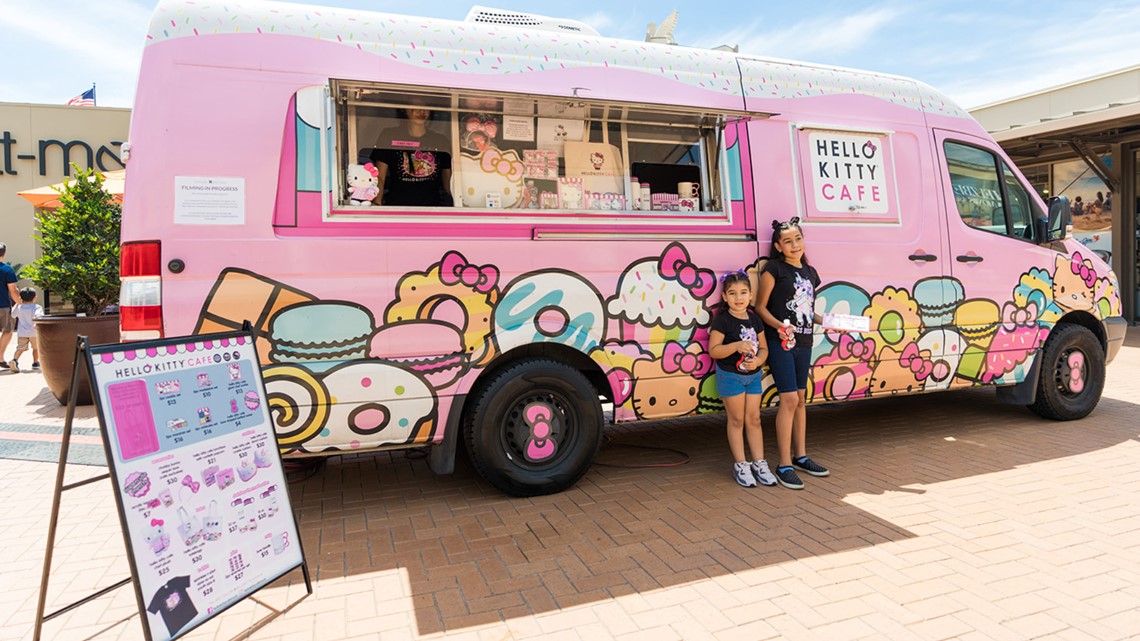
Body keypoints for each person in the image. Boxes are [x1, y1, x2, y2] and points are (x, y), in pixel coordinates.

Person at [755, 217, 829, 490]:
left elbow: (808, 312)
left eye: (798, 239)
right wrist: (780, 326)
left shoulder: (810, 272)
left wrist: (831, 323)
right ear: (778, 246)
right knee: (787, 398)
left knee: (800, 398)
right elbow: (760, 307)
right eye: (788, 241)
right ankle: (783, 464)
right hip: (780, 342)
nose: (794, 244)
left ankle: (801, 456)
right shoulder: (773, 269)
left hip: (805, 341)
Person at [708, 270, 774, 488]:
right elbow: (714, 350)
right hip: (731, 377)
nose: (739, 298)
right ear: (725, 297)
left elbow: (764, 348)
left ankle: (759, 463)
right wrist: (736, 346)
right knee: (736, 420)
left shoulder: (755, 319)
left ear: (751, 295)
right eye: (733, 293)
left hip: (753, 376)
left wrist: (759, 361)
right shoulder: (723, 321)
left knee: (754, 419)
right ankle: (741, 464)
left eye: (743, 292)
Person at [368, 102, 453, 207]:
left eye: (426, 107)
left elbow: (450, 184)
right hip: (397, 209)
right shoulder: (389, 136)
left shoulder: (440, 141)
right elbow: (379, 177)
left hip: (432, 210)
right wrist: (377, 206)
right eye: (415, 106)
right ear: (405, 109)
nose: (421, 111)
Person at [9, 287, 42, 373]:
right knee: (36, 348)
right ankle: (35, 363)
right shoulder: (37, 307)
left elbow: (13, 315)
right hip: (34, 332)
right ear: (35, 297)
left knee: (20, 348)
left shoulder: (19, 307)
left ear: (20, 298)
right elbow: (38, 316)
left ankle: (15, 360)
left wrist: (17, 303)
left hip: (22, 333)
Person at [0, 243, 19, 370]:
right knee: (8, 330)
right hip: (3, 306)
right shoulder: (7, 270)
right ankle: (0, 357)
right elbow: (13, 291)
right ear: (4, 253)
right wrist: (20, 303)